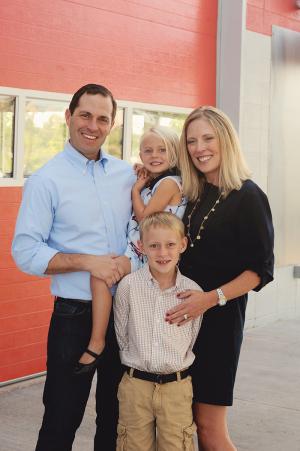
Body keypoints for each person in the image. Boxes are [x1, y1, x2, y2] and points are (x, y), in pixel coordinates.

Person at [12, 83, 135, 451]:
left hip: (126, 312)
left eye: (102, 118)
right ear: (68, 117)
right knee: (61, 419)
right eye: (85, 115)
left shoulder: (127, 175)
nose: (92, 126)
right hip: (73, 316)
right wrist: (87, 262)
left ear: (112, 124)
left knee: (116, 420)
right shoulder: (46, 180)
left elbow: (143, 228)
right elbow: (26, 251)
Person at [165, 106, 274, 451]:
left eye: (208, 138)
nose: (200, 148)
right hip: (184, 325)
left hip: (220, 324)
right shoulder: (195, 194)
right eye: (192, 141)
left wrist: (209, 299)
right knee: (186, 421)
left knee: (210, 428)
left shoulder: (249, 196)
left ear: (225, 140)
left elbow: (259, 271)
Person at [76, 126, 187, 374]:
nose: (154, 155)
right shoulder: (156, 181)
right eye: (148, 150)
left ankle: (97, 342)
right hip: (138, 249)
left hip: (147, 254)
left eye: (162, 150)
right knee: (105, 279)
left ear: (175, 153)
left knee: (100, 276)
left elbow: (146, 218)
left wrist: (136, 189)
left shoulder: (169, 183)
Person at [114, 212, 202, 450]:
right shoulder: (129, 286)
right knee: (132, 445)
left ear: (182, 245)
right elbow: (121, 335)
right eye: (154, 246)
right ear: (142, 247)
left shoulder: (193, 292)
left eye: (170, 245)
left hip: (176, 388)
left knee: (176, 445)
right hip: (136, 386)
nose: (163, 253)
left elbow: (191, 337)